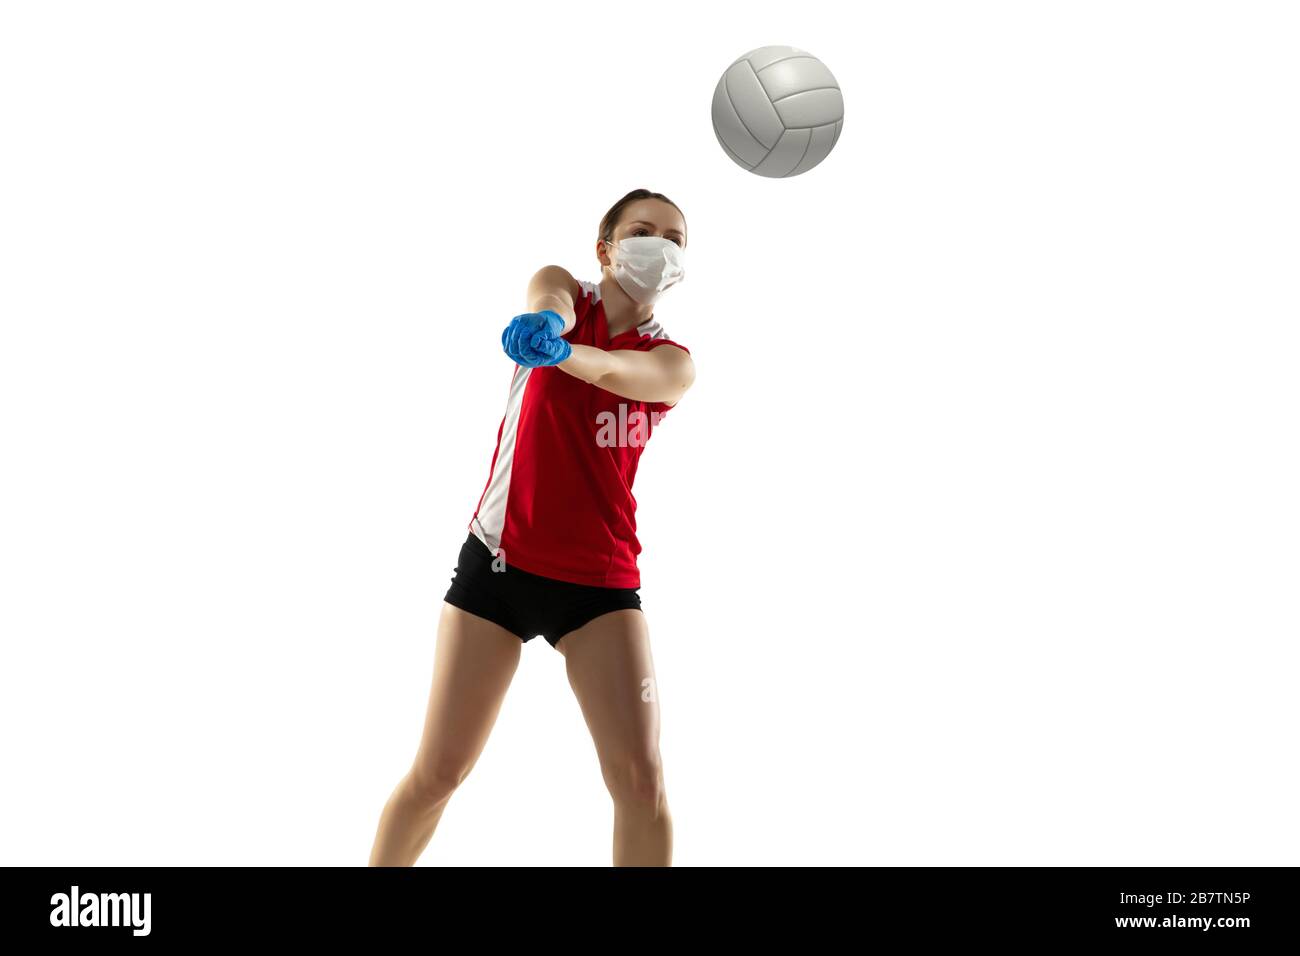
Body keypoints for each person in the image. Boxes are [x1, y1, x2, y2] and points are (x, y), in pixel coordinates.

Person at [368, 188, 695, 866]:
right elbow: (550, 299)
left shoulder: (672, 362)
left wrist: (560, 355)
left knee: (642, 780)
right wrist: (547, 323)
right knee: (438, 773)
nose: (658, 246)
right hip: (499, 566)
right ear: (605, 248)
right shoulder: (561, 290)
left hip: (599, 586)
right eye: (642, 230)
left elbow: (611, 368)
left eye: (674, 238)